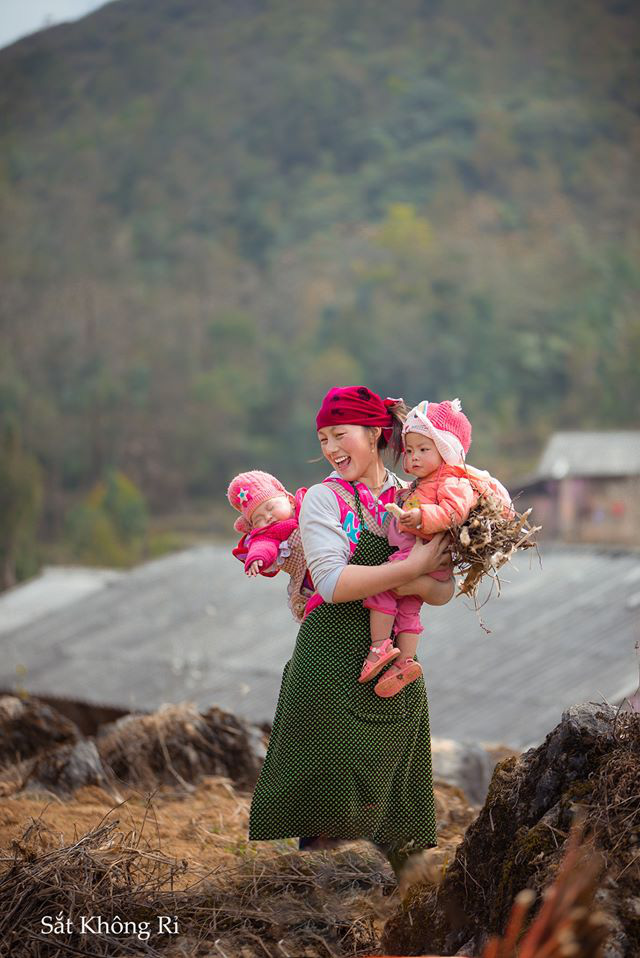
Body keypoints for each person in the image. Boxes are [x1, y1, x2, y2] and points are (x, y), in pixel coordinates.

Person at [247, 385, 454, 877]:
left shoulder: (416, 499)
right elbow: (336, 583)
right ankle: (323, 926)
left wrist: (421, 569)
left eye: (340, 435)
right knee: (328, 819)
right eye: (323, 439)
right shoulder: (323, 499)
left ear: (375, 432)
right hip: (332, 665)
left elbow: (443, 591)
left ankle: (400, 920)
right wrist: (415, 568)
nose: (331, 449)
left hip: (395, 667)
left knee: (395, 809)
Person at [360, 398, 512, 698]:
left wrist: (421, 517)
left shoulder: (452, 481)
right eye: (410, 450)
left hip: (422, 556)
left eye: (423, 449)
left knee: (380, 586)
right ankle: (403, 662)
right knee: (408, 609)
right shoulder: (422, 483)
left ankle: (379, 648)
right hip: (421, 559)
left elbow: (454, 513)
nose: (414, 457)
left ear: (445, 449)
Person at [227, 470, 313, 622]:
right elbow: (263, 545)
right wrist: (257, 557)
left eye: (270, 507)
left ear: (290, 501)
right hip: (308, 586)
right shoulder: (269, 533)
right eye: (258, 518)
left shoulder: (310, 507)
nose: (267, 517)